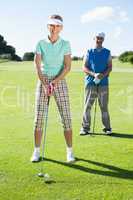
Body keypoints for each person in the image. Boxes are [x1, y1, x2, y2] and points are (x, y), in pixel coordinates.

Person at [31, 14, 75, 163]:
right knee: (39, 119)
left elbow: (68, 67)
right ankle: (36, 151)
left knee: (66, 118)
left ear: (61, 27)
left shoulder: (65, 44)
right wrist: (44, 83)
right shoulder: (40, 43)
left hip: (60, 81)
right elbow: (37, 64)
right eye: (52, 25)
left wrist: (55, 82)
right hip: (43, 80)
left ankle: (69, 152)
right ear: (48, 26)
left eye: (57, 25)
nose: (54, 28)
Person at [80, 32, 112, 136]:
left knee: (104, 106)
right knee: (88, 106)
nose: (99, 40)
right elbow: (84, 67)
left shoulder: (107, 52)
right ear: (94, 39)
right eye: (98, 38)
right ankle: (85, 128)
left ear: (103, 40)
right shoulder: (89, 51)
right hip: (90, 82)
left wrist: (102, 75)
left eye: (101, 38)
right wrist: (94, 74)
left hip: (103, 83)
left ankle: (107, 128)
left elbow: (109, 67)